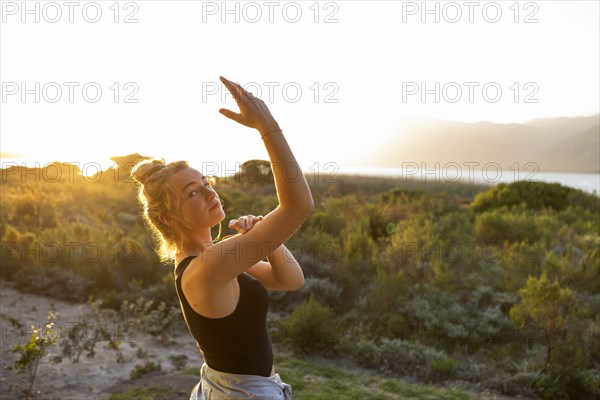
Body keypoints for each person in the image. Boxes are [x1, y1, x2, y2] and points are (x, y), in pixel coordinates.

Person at [130, 76, 314, 399]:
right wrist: (266, 126)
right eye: (192, 193)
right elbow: (299, 205)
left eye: (206, 183)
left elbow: (290, 279)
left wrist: (268, 242)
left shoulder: (213, 257)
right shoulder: (205, 268)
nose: (209, 192)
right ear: (166, 217)